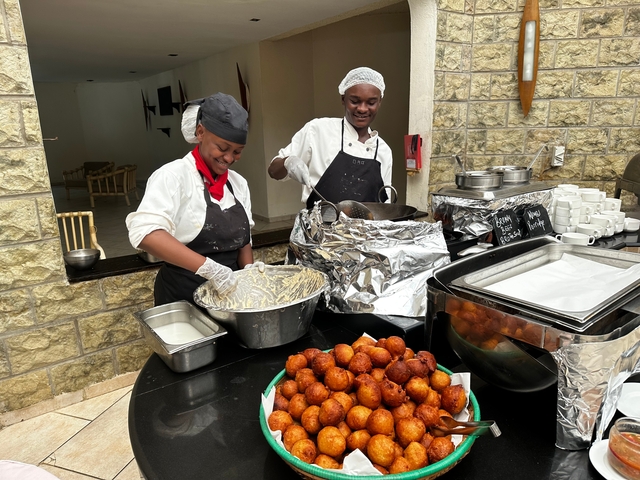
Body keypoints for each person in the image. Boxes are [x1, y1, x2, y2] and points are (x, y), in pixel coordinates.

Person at [126, 92, 263, 306]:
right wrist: (211, 270)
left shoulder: (238, 184)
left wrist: (247, 273)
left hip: (227, 297)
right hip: (183, 297)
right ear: (200, 132)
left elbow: (243, 242)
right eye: (223, 148)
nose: (229, 158)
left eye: (237, 151)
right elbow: (146, 234)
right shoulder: (173, 176)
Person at [268, 67, 393, 208]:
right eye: (355, 101)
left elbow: (384, 207)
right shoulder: (318, 130)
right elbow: (273, 171)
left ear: (379, 103)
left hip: (366, 229)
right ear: (343, 99)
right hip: (320, 227)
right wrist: (288, 162)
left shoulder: (383, 150)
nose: (362, 109)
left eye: (371, 103)